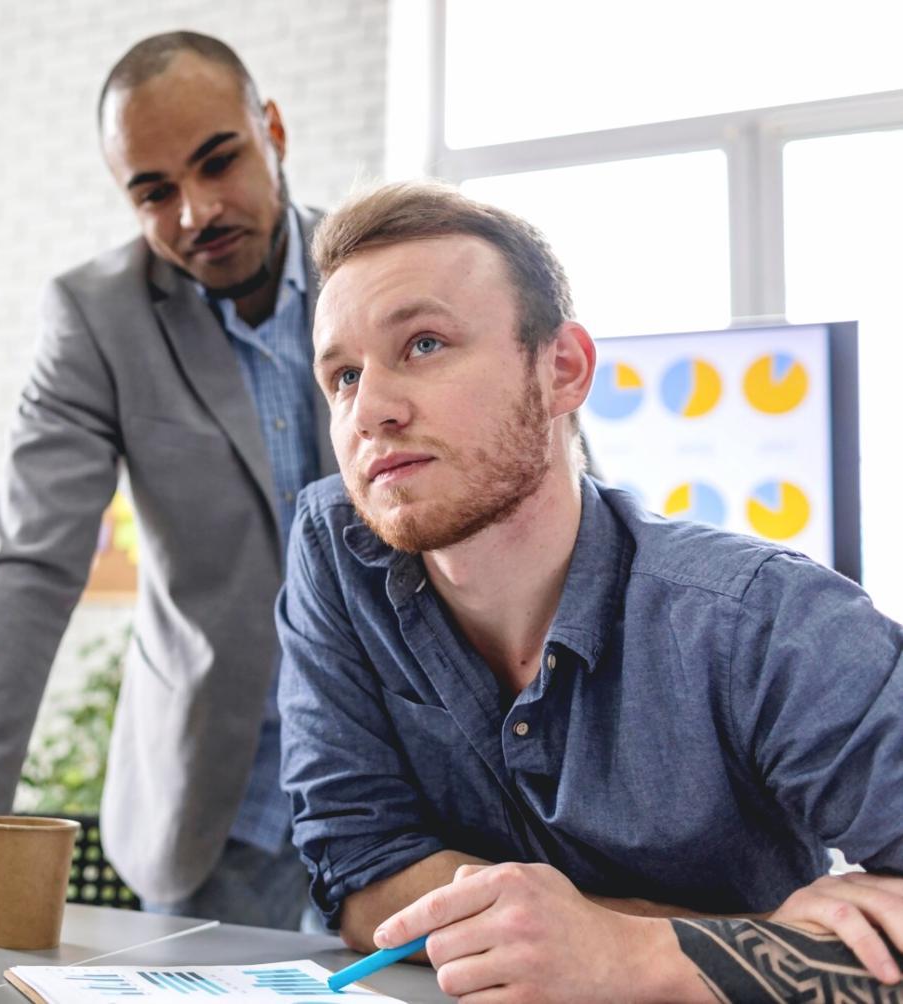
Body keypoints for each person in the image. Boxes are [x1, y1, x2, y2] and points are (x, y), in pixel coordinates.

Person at [276, 179, 903, 1001]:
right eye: (343, 376)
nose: (371, 410)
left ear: (563, 369)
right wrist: (690, 938)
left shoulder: (760, 620)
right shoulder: (338, 549)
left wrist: (631, 956)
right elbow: (360, 870)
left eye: (423, 344)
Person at [0, 30, 336, 928]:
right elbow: (28, 571)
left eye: (217, 161)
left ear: (271, 128)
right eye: (153, 192)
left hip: (398, 792)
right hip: (219, 809)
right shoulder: (98, 318)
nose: (195, 212)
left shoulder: (380, 265)